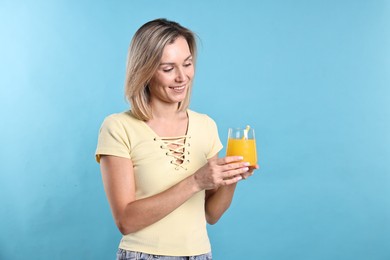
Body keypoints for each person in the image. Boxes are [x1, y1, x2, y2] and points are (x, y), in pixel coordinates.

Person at [95, 18, 259, 260]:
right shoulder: (118, 127)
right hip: (143, 255)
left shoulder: (206, 125)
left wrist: (230, 177)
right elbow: (126, 221)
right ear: (145, 71)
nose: (182, 77)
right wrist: (195, 180)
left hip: (200, 254)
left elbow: (211, 215)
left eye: (187, 64)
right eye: (168, 68)